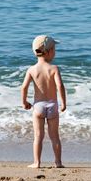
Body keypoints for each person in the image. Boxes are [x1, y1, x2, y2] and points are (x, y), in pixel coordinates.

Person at [21, 35, 67, 168]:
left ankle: (37, 162)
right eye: (54, 49)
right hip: (52, 105)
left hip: (38, 107)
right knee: (54, 137)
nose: (55, 52)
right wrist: (63, 103)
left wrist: (24, 102)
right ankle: (58, 162)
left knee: (38, 136)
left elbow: (24, 87)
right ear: (49, 51)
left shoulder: (32, 70)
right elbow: (60, 86)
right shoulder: (54, 69)